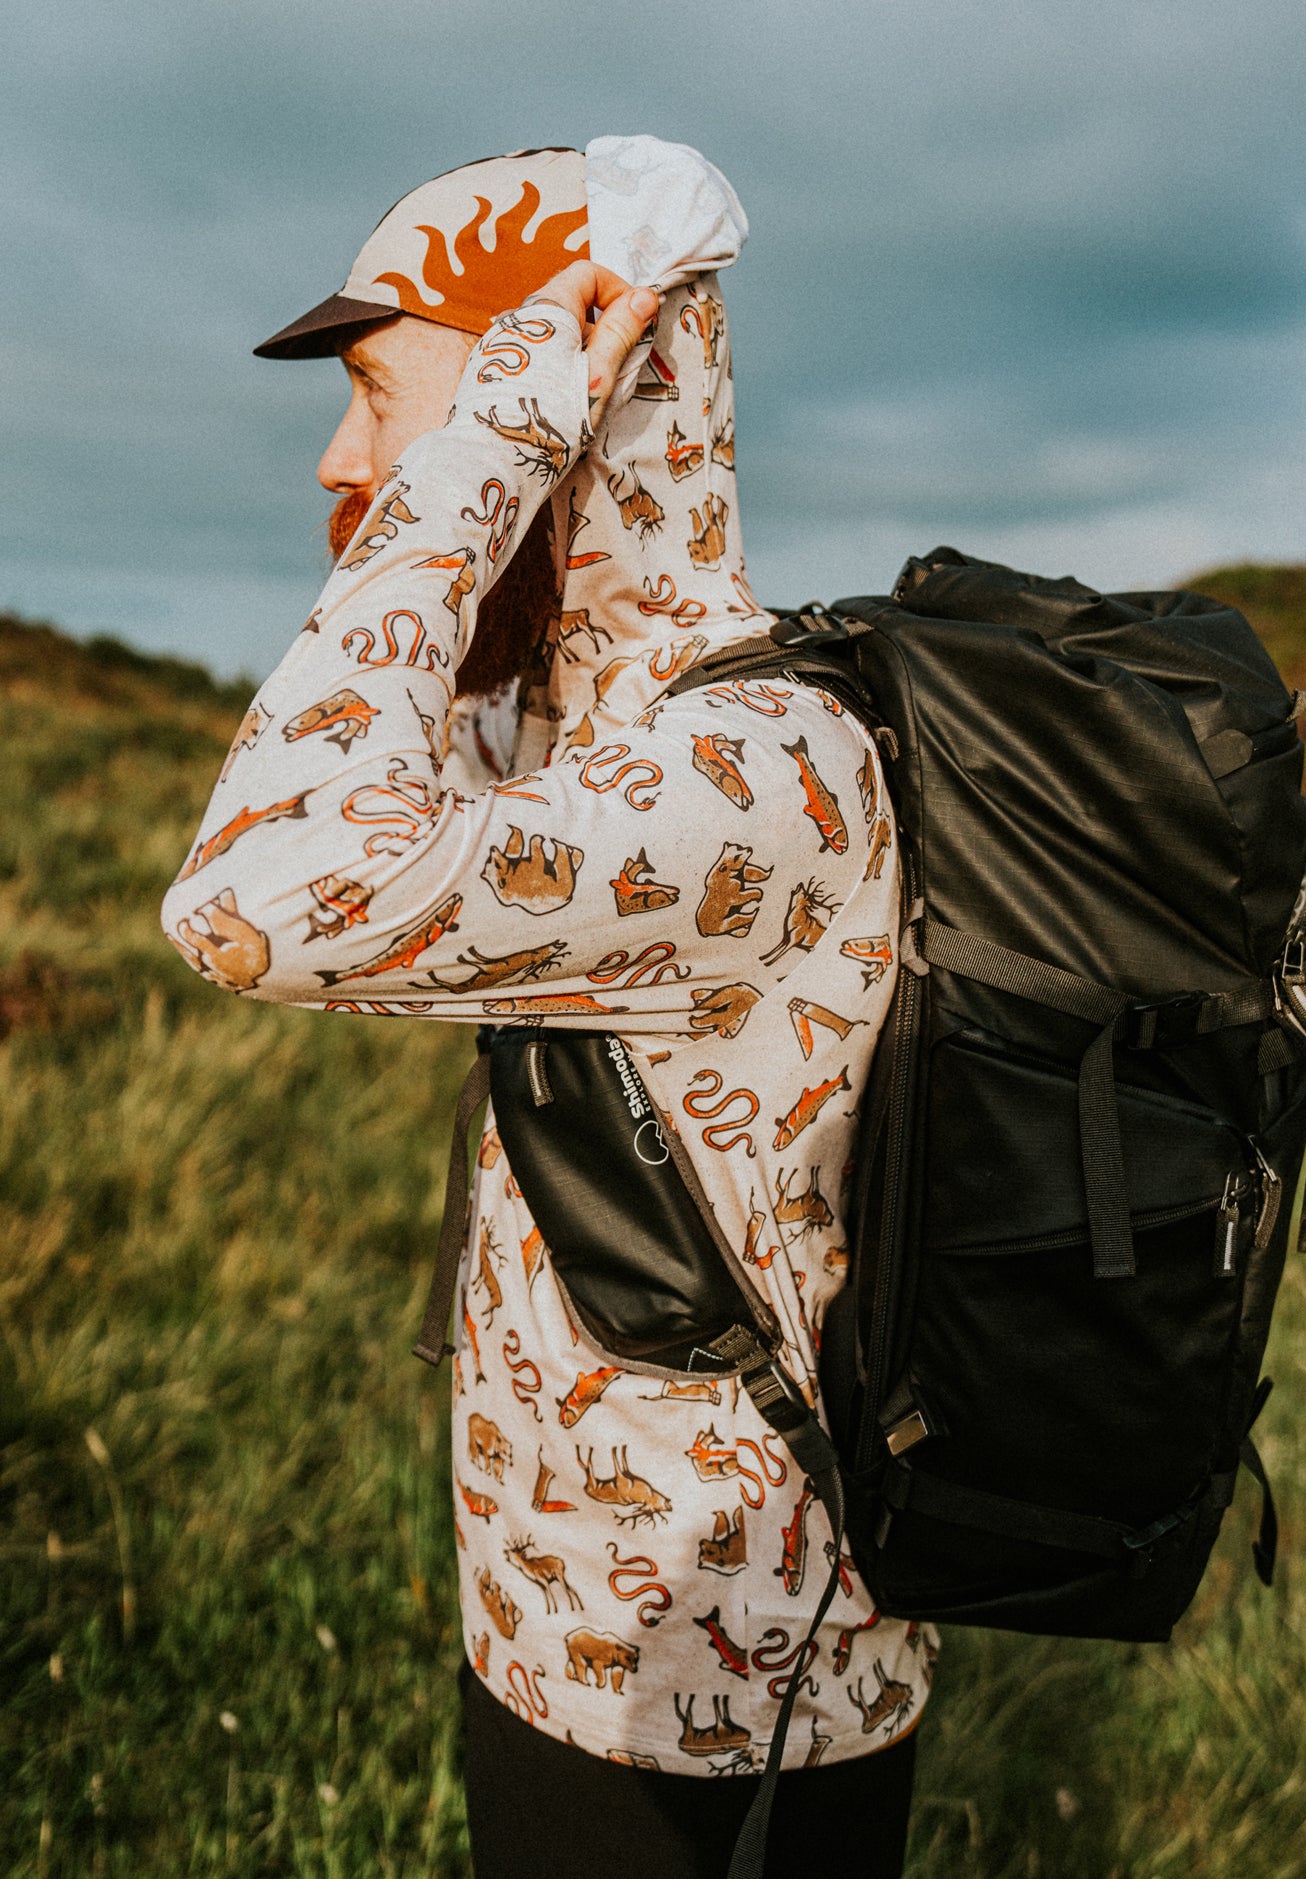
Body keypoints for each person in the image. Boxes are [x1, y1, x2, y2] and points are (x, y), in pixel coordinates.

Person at [161, 136, 934, 1877]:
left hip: (723, 1677)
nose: (339, 458)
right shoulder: (578, 735)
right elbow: (349, 775)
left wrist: (493, 441)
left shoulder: (740, 764)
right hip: (558, 1604)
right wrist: (491, 495)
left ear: (567, 374)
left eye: (376, 392)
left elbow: (248, 901)